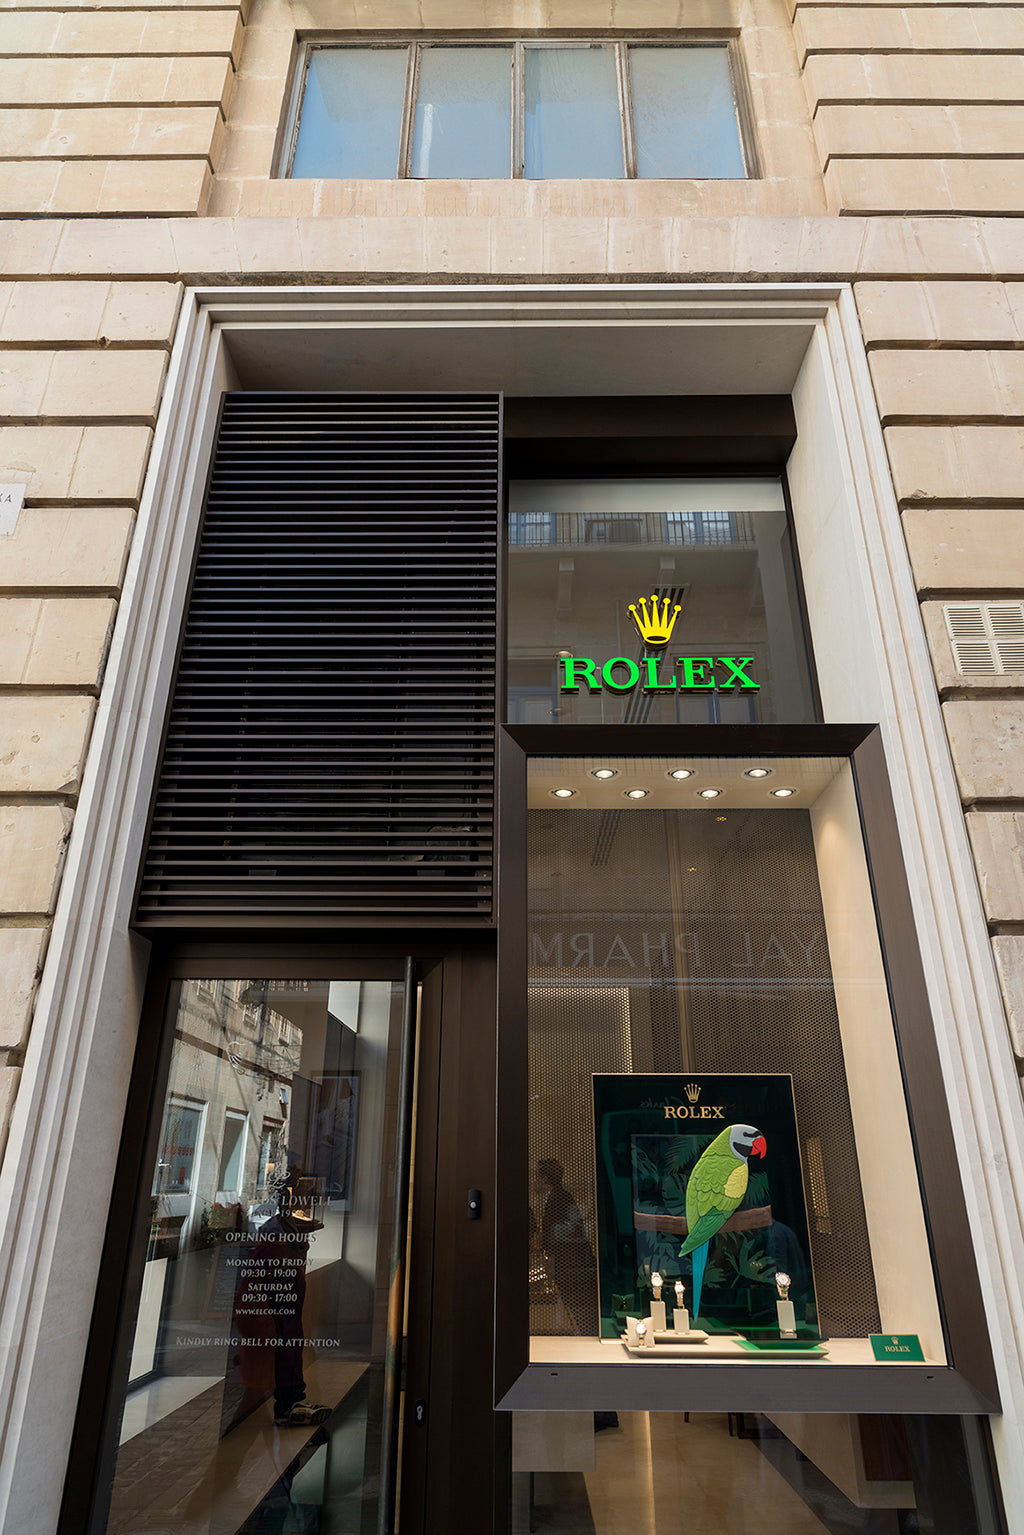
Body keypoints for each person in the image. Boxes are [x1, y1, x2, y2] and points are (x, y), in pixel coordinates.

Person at [533, 1158, 598, 1335]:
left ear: (545, 1179)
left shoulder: (559, 1199)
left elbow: (566, 1234)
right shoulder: (556, 1198)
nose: (534, 1181)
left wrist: (544, 1240)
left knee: (579, 1313)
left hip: (571, 1267)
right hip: (569, 1266)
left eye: (536, 1176)